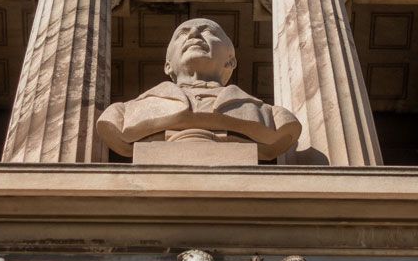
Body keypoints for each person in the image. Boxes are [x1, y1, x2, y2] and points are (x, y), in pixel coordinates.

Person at [96, 18, 301, 158]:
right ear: (167, 65)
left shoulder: (272, 117)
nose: (194, 34)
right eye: (182, 34)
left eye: (208, 31)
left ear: (231, 61)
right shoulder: (123, 114)